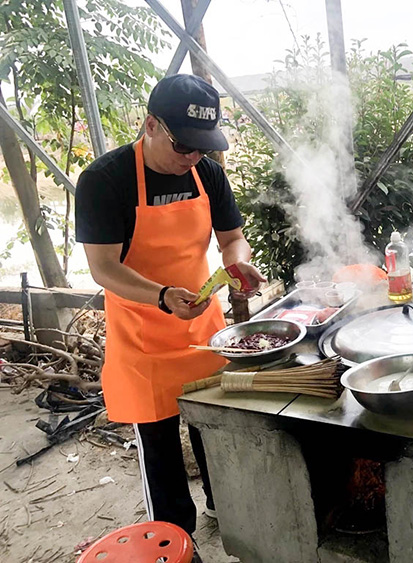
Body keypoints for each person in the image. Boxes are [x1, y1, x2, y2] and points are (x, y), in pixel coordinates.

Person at [75, 74, 265, 560]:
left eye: (203, 147)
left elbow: (230, 238)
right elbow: (103, 269)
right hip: (143, 342)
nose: (192, 158)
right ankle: (174, 542)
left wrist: (237, 259)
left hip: (203, 331)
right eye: (184, 146)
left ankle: (227, 509)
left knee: (213, 433)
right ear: (151, 126)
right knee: (160, 453)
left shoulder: (207, 173)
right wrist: (160, 296)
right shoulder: (106, 180)